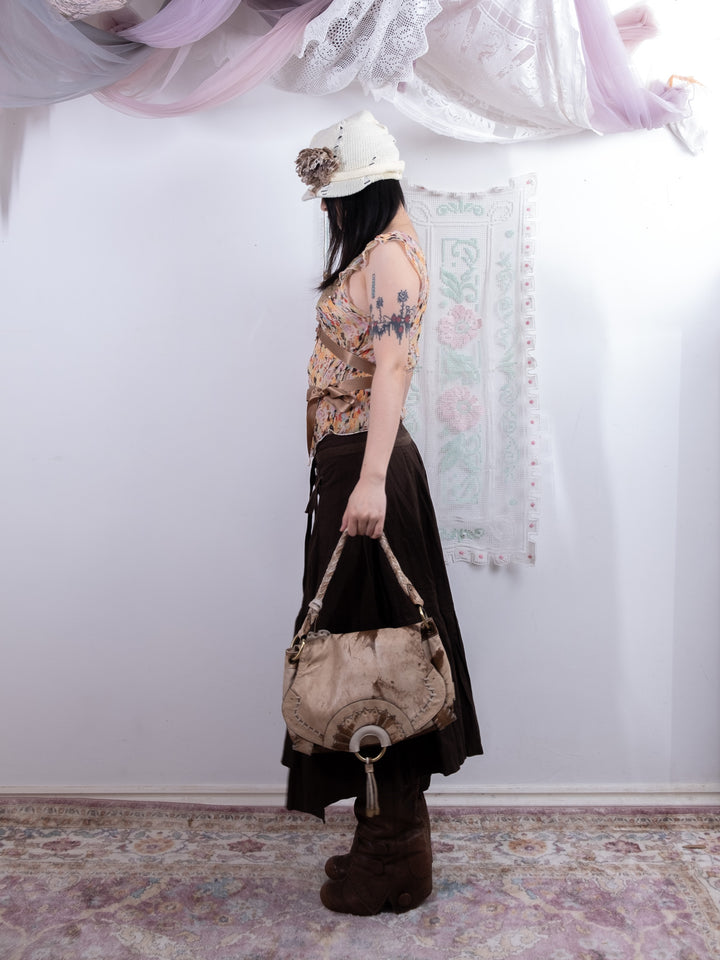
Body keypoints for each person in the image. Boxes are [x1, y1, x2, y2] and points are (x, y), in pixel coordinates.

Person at [284, 110, 483, 915]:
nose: (330, 214)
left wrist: (369, 482)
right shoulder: (380, 253)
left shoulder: (391, 257)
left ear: (361, 194)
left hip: (369, 471)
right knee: (362, 653)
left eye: (336, 200)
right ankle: (387, 841)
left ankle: (396, 854)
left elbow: (393, 368)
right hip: (354, 467)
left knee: (381, 656)